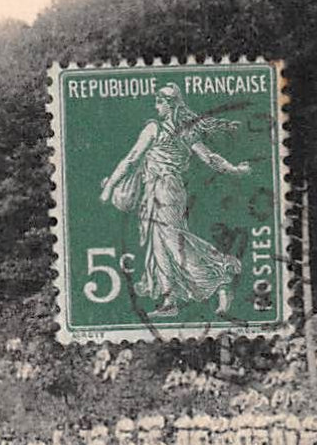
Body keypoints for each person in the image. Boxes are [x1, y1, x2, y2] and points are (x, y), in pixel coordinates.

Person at [99, 83, 250, 318]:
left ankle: (221, 276)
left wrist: (109, 187)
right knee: (159, 243)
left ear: (169, 105)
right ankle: (170, 300)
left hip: (164, 190)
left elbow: (130, 160)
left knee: (172, 241)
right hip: (164, 191)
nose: (155, 106)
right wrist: (234, 169)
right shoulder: (186, 131)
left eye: (159, 102)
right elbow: (209, 157)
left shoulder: (154, 128)